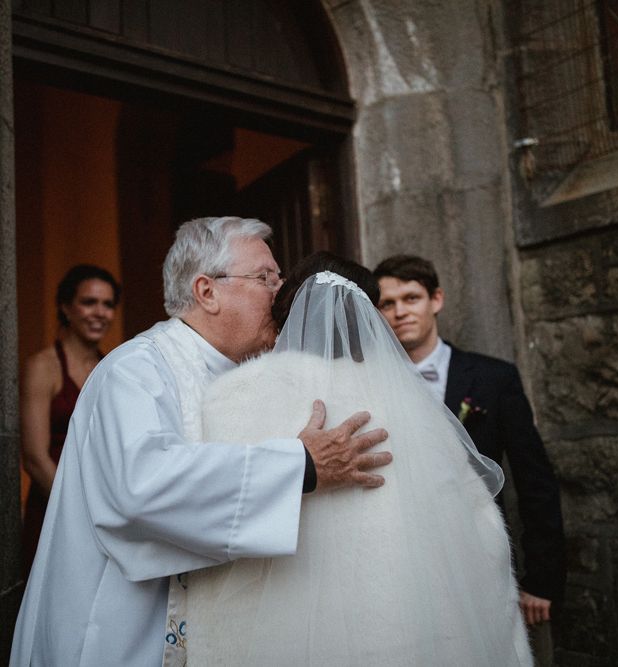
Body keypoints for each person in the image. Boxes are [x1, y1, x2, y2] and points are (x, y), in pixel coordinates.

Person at [10, 218, 391, 667]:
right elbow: (144, 487)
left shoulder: (249, 373)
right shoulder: (135, 371)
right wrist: (300, 466)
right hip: (121, 628)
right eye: (266, 278)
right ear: (207, 291)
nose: (281, 291)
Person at [185, 251, 532, 665]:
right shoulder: (411, 403)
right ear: (372, 322)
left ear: (282, 318)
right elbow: (481, 531)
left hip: (280, 637)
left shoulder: (234, 397)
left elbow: (208, 516)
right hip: (402, 627)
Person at [373, 254, 565, 665]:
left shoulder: (495, 378)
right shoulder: (368, 383)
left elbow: (535, 481)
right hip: (399, 569)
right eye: (388, 303)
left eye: (411, 298)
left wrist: (542, 579)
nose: (400, 311)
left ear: (436, 299)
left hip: (482, 560)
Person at [20, 264, 121, 573]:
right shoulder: (43, 366)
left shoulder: (114, 367)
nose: (100, 313)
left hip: (105, 513)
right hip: (57, 507)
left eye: (107, 304)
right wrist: (80, 512)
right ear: (65, 307)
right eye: (89, 302)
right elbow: (35, 458)